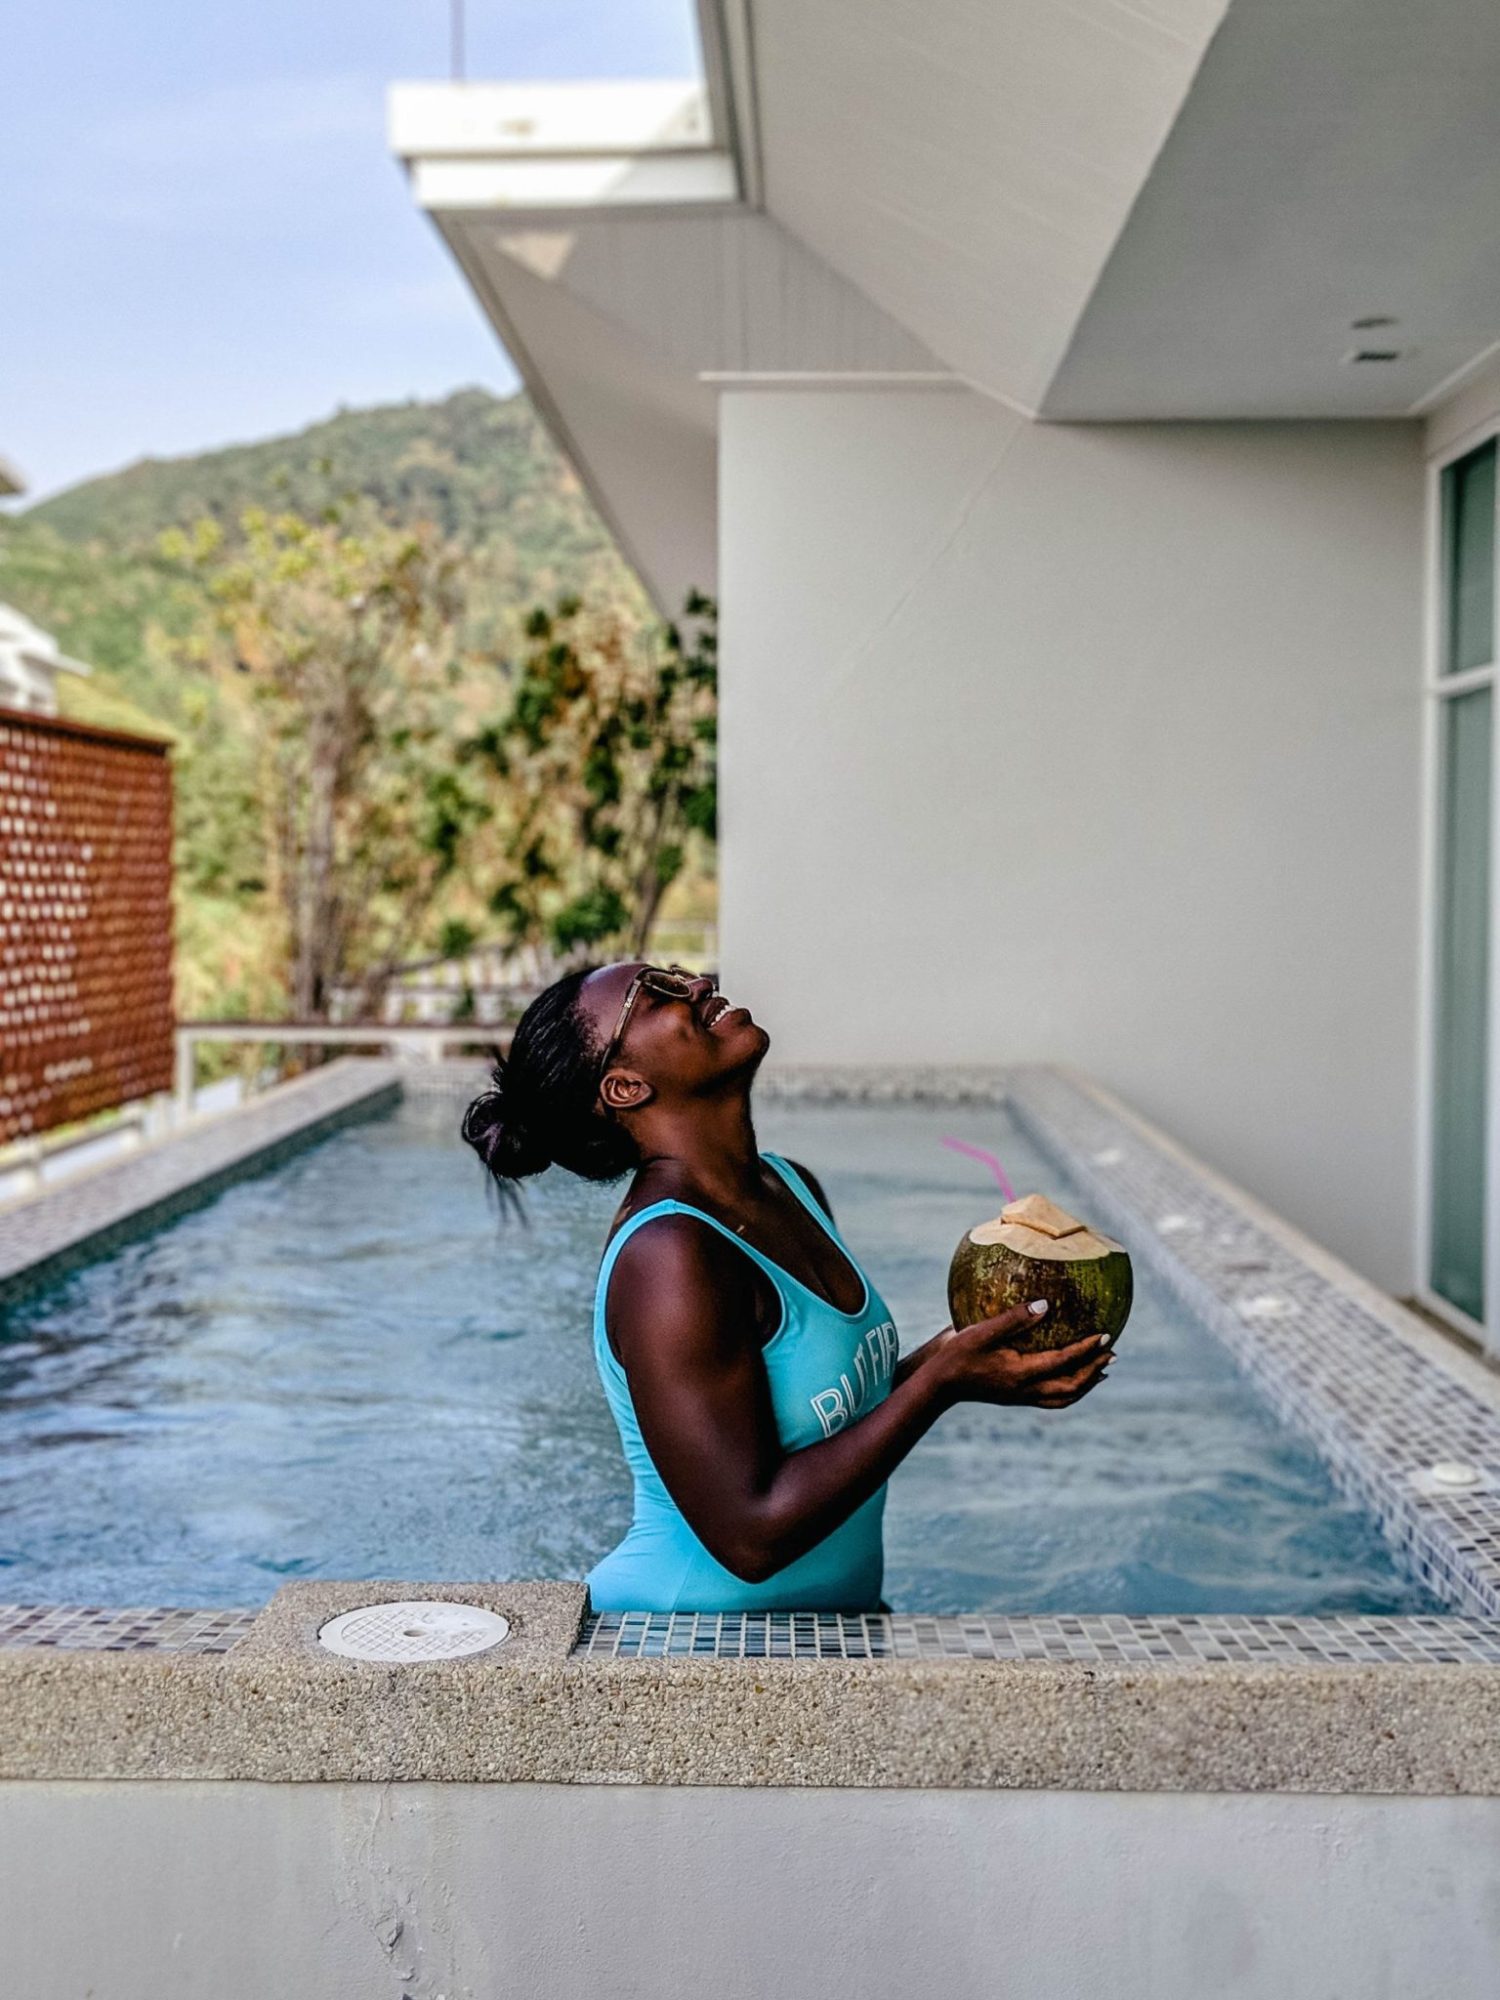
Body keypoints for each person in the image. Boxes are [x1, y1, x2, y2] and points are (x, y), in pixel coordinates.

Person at [461, 962, 1113, 1614]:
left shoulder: (788, 1185)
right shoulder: (670, 1255)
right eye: (655, 994)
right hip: (682, 1650)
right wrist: (940, 1382)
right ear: (626, 1086)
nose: (697, 984)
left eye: (677, 972)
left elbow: (832, 1417)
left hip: (818, 1636)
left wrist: (965, 1357)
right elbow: (750, 1536)